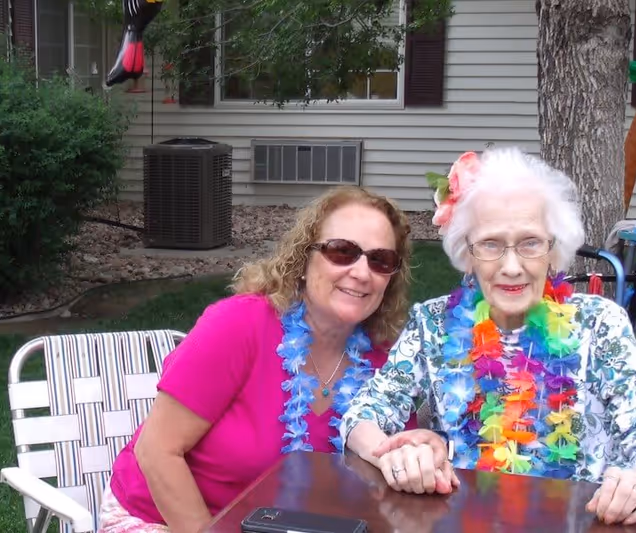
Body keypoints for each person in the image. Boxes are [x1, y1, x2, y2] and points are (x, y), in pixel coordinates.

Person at [340, 147, 636, 526]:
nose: (512, 267)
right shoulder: (432, 325)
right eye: (491, 244)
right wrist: (391, 453)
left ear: (554, 249)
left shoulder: (600, 325)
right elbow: (362, 415)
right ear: (467, 253)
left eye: (530, 242)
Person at [98, 186, 415, 533]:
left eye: (380, 260)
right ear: (304, 262)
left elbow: (397, 472)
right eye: (341, 251)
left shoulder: (387, 365)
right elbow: (157, 451)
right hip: (164, 519)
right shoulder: (239, 325)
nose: (361, 271)